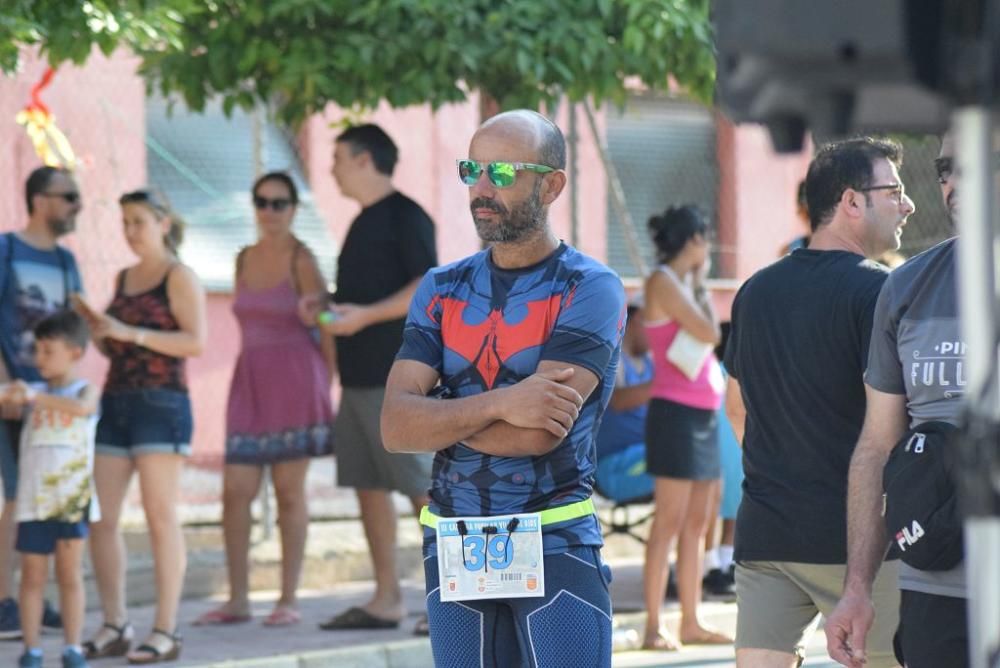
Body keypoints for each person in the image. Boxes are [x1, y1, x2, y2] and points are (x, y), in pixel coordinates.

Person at [380, 109, 625, 667]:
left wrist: (438, 415)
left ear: (552, 183)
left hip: (555, 538)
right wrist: (503, 402)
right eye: (473, 170)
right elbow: (395, 427)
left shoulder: (590, 287)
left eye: (503, 173)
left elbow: (536, 432)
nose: (482, 189)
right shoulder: (441, 288)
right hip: (454, 540)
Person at [724, 137, 914, 668]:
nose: (908, 203)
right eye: (894, 190)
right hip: (860, 548)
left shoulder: (754, 289)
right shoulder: (884, 292)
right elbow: (896, 429)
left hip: (767, 534)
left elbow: (735, 407)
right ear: (852, 202)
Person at [825, 134, 970, 668]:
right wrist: (857, 588)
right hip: (937, 590)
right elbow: (877, 446)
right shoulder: (906, 287)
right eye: (947, 168)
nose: (955, 182)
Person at [304, 124, 437, 632]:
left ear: (364, 160)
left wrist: (366, 315)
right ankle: (386, 599)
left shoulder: (406, 215)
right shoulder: (362, 222)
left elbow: (427, 283)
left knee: (423, 491)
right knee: (367, 486)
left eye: (337, 157)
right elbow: (366, 292)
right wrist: (327, 306)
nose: (330, 167)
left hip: (399, 380)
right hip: (357, 379)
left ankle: (450, 599)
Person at [193, 173, 334, 629]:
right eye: (261, 202)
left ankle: (288, 599)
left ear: (294, 209)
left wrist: (326, 385)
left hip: (296, 380)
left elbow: (327, 324)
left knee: (290, 494)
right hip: (249, 381)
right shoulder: (241, 260)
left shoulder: (303, 259)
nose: (269, 211)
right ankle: (237, 599)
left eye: (279, 203)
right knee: (235, 492)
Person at [75, 190, 206, 664]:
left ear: (163, 223)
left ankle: (166, 630)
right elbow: (121, 347)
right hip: (116, 400)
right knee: (101, 517)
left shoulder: (180, 275)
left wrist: (130, 332)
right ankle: (114, 623)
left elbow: (195, 342)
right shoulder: (124, 276)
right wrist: (103, 334)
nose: (130, 231)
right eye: (124, 222)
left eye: (138, 222)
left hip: (162, 403)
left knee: (158, 514)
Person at [640, 205, 729, 651]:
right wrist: (701, 282)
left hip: (703, 412)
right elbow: (710, 332)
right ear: (693, 241)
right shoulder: (662, 282)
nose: (708, 247)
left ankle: (691, 621)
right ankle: (654, 625)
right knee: (668, 523)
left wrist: (700, 280)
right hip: (675, 415)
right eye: (705, 238)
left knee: (698, 523)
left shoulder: (686, 283)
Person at [0, 165, 83, 639]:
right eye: (67, 196)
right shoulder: (6, 250)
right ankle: (5, 600)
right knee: (15, 496)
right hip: (15, 396)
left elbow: (76, 327)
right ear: (39, 199)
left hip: (54, 402)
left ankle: (33, 597)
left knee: (45, 497)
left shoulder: (67, 262)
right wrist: (10, 386)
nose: (76, 206)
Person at [1, 311, 97, 668]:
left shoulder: (83, 389)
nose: (39, 359)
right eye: (37, 351)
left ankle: (73, 647)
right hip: (34, 503)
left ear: (75, 351)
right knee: (32, 576)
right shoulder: (30, 391)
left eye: (48, 351)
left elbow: (83, 408)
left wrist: (31, 397)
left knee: (70, 575)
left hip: (71, 502)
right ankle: (33, 650)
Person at [594, 295, 654, 505]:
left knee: (702, 455)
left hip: (645, 456)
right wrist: (669, 383)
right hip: (613, 467)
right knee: (680, 459)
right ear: (638, 318)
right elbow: (617, 400)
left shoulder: (648, 362)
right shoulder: (613, 358)